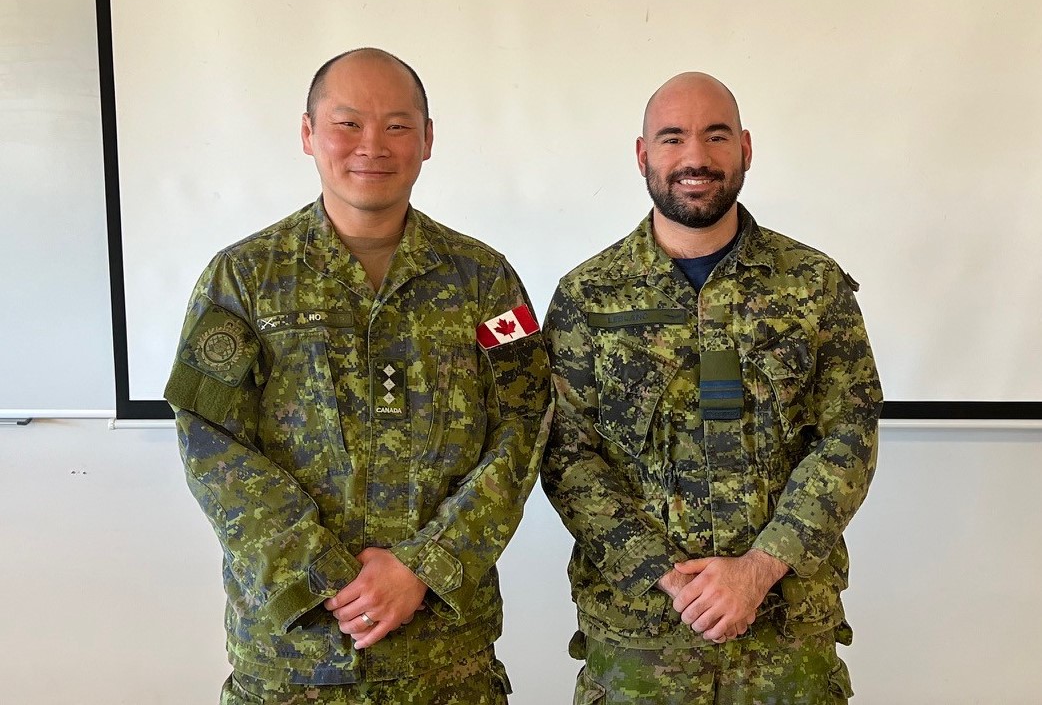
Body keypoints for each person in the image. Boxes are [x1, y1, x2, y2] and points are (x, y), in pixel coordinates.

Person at [165, 48, 551, 704]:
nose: (372, 145)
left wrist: (424, 566)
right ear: (308, 133)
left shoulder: (486, 280)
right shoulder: (244, 279)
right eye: (348, 124)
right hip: (294, 655)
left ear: (427, 139)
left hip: (444, 658)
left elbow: (525, 426)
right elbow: (208, 437)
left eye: (397, 125)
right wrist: (319, 568)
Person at [541, 72, 882, 704]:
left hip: (785, 634)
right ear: (643, 155)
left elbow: (848, 436)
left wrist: (758, 569)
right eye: (672, 139)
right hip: (642, 638)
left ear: (746, 149)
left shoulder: (811, 285)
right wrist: (669, 578)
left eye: (715, 136)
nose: (694, 157)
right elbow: (567, 457)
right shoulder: (588, 296)